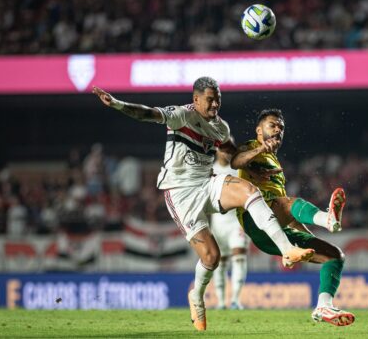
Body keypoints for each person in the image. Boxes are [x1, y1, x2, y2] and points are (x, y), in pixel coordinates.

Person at [92, 77, 314, 331]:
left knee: (249, 191)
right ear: (196, 99)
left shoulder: (220, 128)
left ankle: (287, 249)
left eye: (218, 98)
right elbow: (148, 114)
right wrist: (118, 104)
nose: (215, 104)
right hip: (180, 194)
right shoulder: (181, 116)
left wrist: (256, 159)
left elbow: (233, 157)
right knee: (212, 257)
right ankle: (196, 296)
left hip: (207, 183)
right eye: (210, 99)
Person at [231, 108, 355, 327]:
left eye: (281, 127)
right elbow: (236, 162)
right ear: (259, 130)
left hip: (276, 230)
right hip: (255, 222)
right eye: (273, 125)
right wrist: (260, 147)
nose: (278, 129)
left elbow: (289, 215)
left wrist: (309, 240)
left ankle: (324, 306)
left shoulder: (276, 165)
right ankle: (328, 219)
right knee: (285, 202)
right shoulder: (250, 147)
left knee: (335, 256)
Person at [210, 150, 249, 310]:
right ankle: (220, 302)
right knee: (219, 262)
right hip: (217, 223)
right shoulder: (209, 170)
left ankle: (235, 300)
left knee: (239, 257)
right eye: (222, 150)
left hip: (236, 222)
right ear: (217, 151)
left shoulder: (239, 171)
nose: (225, 153)